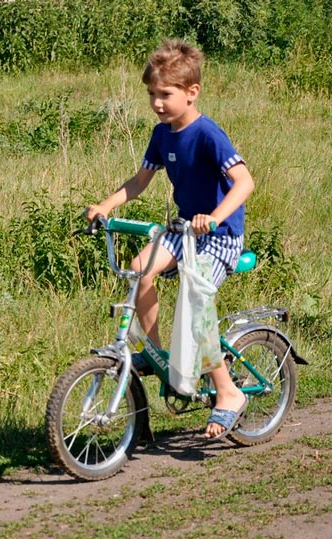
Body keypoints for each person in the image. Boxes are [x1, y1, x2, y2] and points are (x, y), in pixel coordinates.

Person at [85, 39, 254, 441]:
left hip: (219, 237)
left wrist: (213, 218)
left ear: (191, 92)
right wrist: (105, 205)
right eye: (151, 95)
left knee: (195, 302)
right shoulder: (162, 135)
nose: (157, 103)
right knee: (138, 270)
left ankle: (228, 393)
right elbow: (140, 181)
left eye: (166, 94)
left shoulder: (208, 133)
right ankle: (161, 356)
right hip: (182, 232)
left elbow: (244, 182)